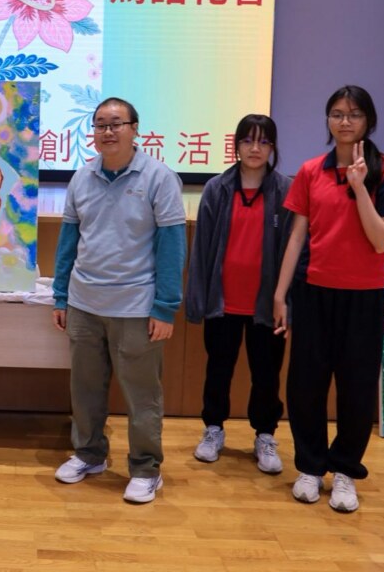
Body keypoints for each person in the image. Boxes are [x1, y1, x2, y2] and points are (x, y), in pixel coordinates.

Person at [273, 85, 384, 513]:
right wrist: (280, 293)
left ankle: (346, 470)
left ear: (369, 121)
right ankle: (310, 466)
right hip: (314, 293)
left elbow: (381, 240)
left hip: (364, 298)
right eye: (336, 114)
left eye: (353, 114)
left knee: (356, 387)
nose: (344, 122)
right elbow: (297, 237)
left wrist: (360, 187)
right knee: (305, 385)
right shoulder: (311, 170)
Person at [51, 97, 187, 504]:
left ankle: (146, 469)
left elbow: (172, 247)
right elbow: (68, 242)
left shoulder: (159, 178)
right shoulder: (82, 178)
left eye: (116, 124)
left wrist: (165, 308)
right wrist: (61, 296)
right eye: (100, 125)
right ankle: (89, 454)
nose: (107, 131)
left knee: (142, 396)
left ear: (134, 129)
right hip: (84, 304)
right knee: (85, 389)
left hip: (136, 307)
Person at [185, 114, 292, 474]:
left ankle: (265, 435)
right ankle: (213, 429)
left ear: (272, 147)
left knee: (266, 375)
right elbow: (201, 250)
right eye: (248, 140)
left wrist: (287, 302)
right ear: (237, 145)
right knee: (218, 369)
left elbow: (293, 249)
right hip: (223, 302)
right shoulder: (217, 188)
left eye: (263, 141)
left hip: (267, 305)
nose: (255, 148)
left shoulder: (285, 191)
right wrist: (198, 299)